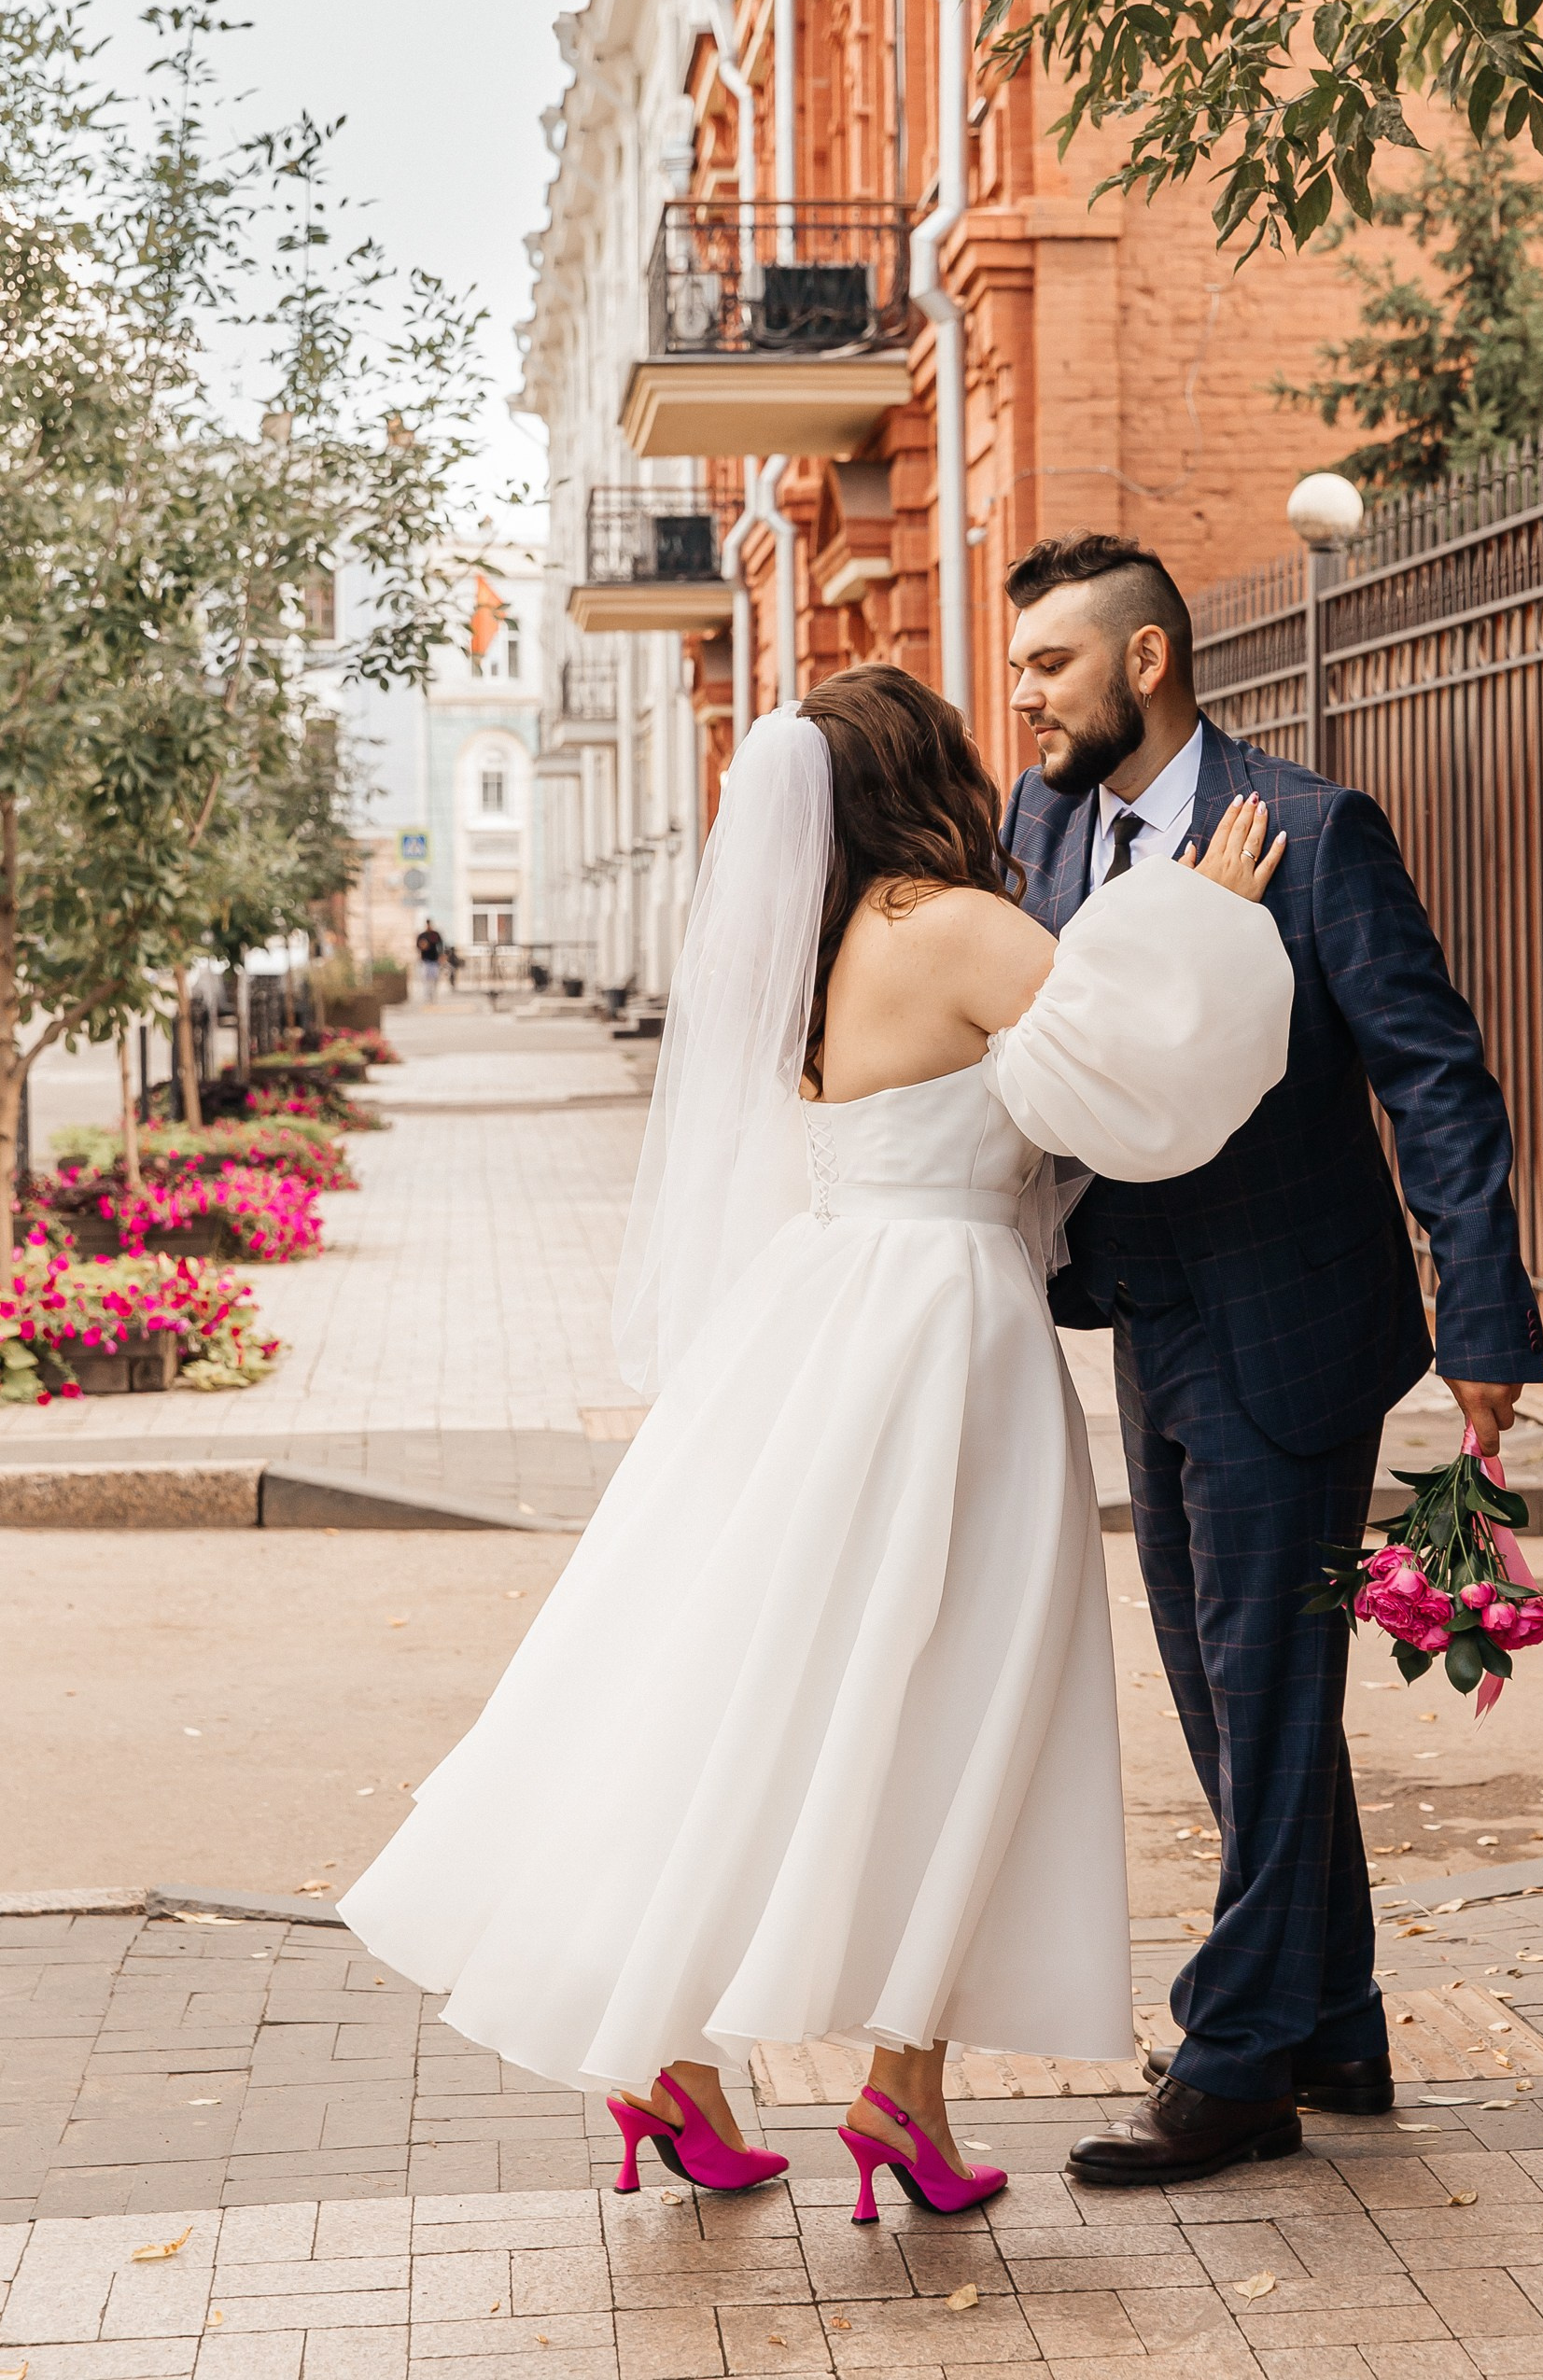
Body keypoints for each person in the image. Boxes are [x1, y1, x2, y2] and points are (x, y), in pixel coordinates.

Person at [340, 665, 1296, 2211]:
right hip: (948, 1331)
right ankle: (899, 2094)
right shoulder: (959, 927)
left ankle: (682, 2056)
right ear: (934, 772)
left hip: (822, 1314)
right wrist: (1211, 913)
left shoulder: (817, 950)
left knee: (769, 1687)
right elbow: (1138, 1079)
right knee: (972, 1695)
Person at [1000, 533, 1543, 2188]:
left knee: (1267, 1686)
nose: (1020, 696)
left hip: (1297, 1327)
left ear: (1145, 662)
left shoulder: (1312, 833)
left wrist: (1485, 1321)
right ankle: (1337, 2027)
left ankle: (1235, 2063)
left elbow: (1435, 1081)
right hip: (1148, 1320)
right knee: (1229, 1692)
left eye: (1048, 665)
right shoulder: (1044, 830)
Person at [414, 920, 444, 1004]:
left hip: (434, 960)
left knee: (435, 978)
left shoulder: (435, 935)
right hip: (425, 960)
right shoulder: (422, 935)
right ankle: (427, 996)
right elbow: (418, 946)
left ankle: (433, 994)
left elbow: (441, 945)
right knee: (426, 979)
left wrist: (441, 956)